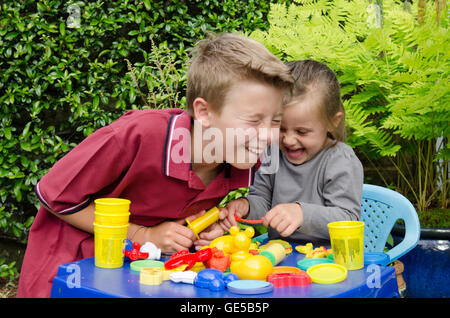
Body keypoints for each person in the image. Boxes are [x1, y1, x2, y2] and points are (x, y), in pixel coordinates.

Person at [17, 33, 293, 297]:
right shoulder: (139, 135)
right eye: (254, 121)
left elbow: (174, 209)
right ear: (204, 112)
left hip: (138, 271)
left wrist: (204, 229)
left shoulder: (239, 153)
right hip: (71, 269)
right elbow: (56, 195)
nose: (269, 135)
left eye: (276, 121)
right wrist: (143, 234)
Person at [219, 60, 363, 244]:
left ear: (332, 122)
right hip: (280, 258)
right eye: (280, 128)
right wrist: (246, 206)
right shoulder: (273, 153)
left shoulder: (340, 160)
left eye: (301, 131)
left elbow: (348, 218)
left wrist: (302, 213)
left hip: (327, 265)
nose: (288, 140)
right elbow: (263, 202)